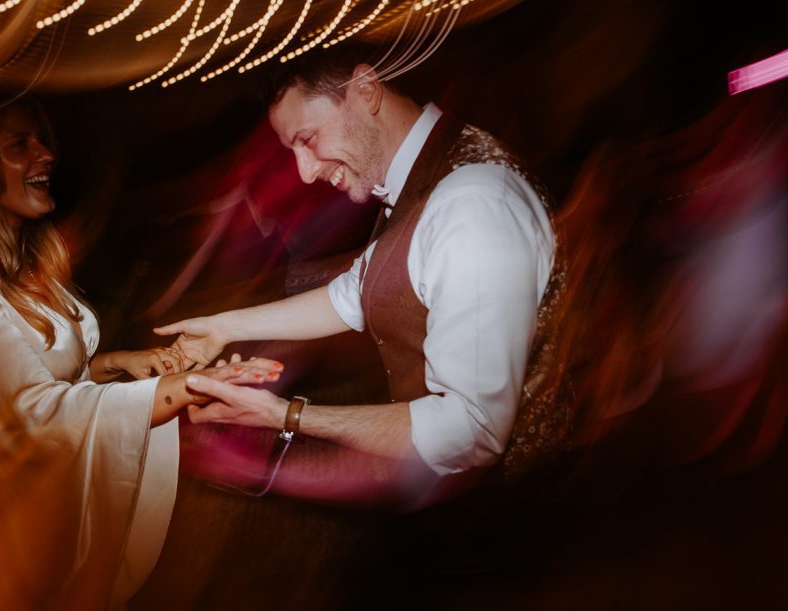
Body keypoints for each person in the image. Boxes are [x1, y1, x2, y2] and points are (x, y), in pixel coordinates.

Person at [0, 95, 282, 611]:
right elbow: (32, 412)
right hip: (9, 549)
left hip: (54, 527)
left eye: (42, 140)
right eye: (20, 145)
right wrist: (182, 389)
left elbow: (51, 372)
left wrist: (118, 364)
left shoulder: (24, 261)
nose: (47, 154)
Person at [156, 51, 571, 507]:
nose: (305, 172)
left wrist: (284, 416)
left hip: (507, 507)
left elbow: (473, 431)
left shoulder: (471, 207)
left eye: (308, 139)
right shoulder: (422, 174)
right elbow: (353, 292)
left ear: (366, 91)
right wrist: (225, 327)